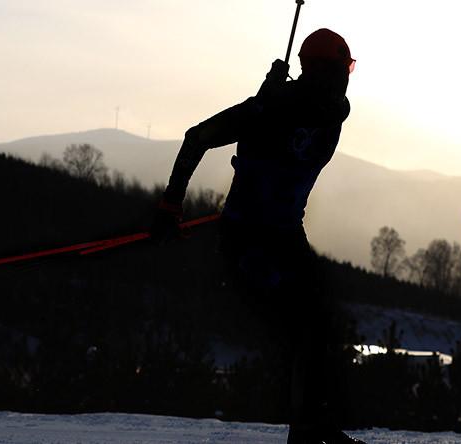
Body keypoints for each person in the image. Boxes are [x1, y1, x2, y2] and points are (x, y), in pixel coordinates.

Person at [152, 28, 363, 444]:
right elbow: (201, 137)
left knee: (316, 322)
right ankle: (308, 429)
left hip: (276, 235)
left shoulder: (287, 108)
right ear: (330, 71)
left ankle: (310, 425)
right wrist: (170, 204)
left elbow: (205, 137)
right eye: (346, 68)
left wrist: (269, 98)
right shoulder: (307, 112)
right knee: (308, 323)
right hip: (251, 239)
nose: (347, 77)